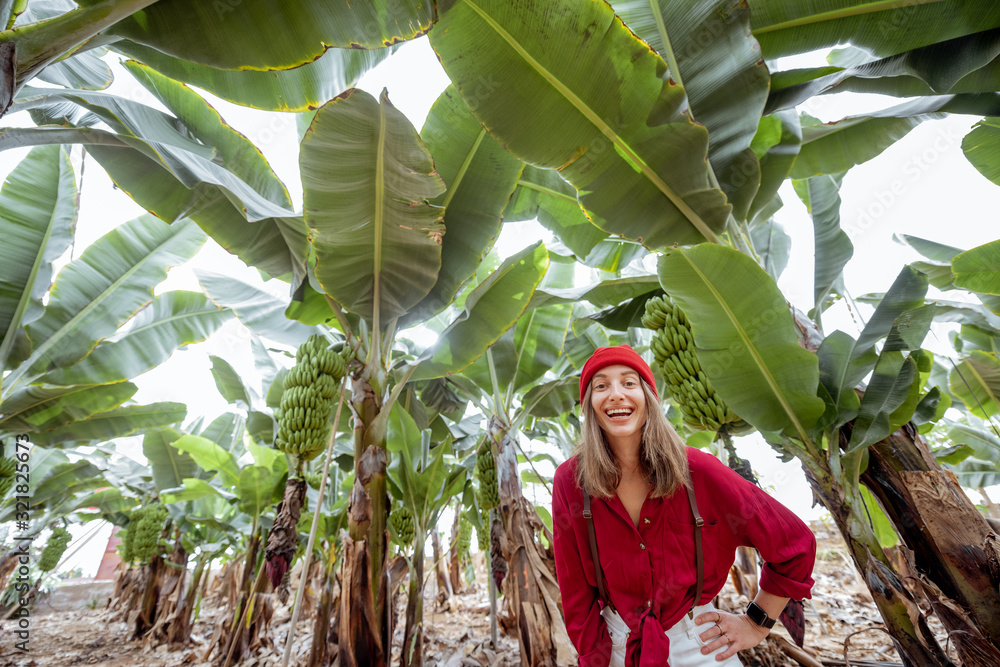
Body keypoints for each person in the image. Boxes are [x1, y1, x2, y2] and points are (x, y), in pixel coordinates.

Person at [552, 345, 816, 667]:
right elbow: (574, 587)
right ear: (589, 405)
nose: (616, 394)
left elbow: (794, 542)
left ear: (649, 397)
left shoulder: (699, 470)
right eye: (601, 385)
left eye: (629, 383)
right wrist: (593, 658)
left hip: (700, 643)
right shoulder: (571, 480)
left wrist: (755, 623)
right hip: (617, 645)